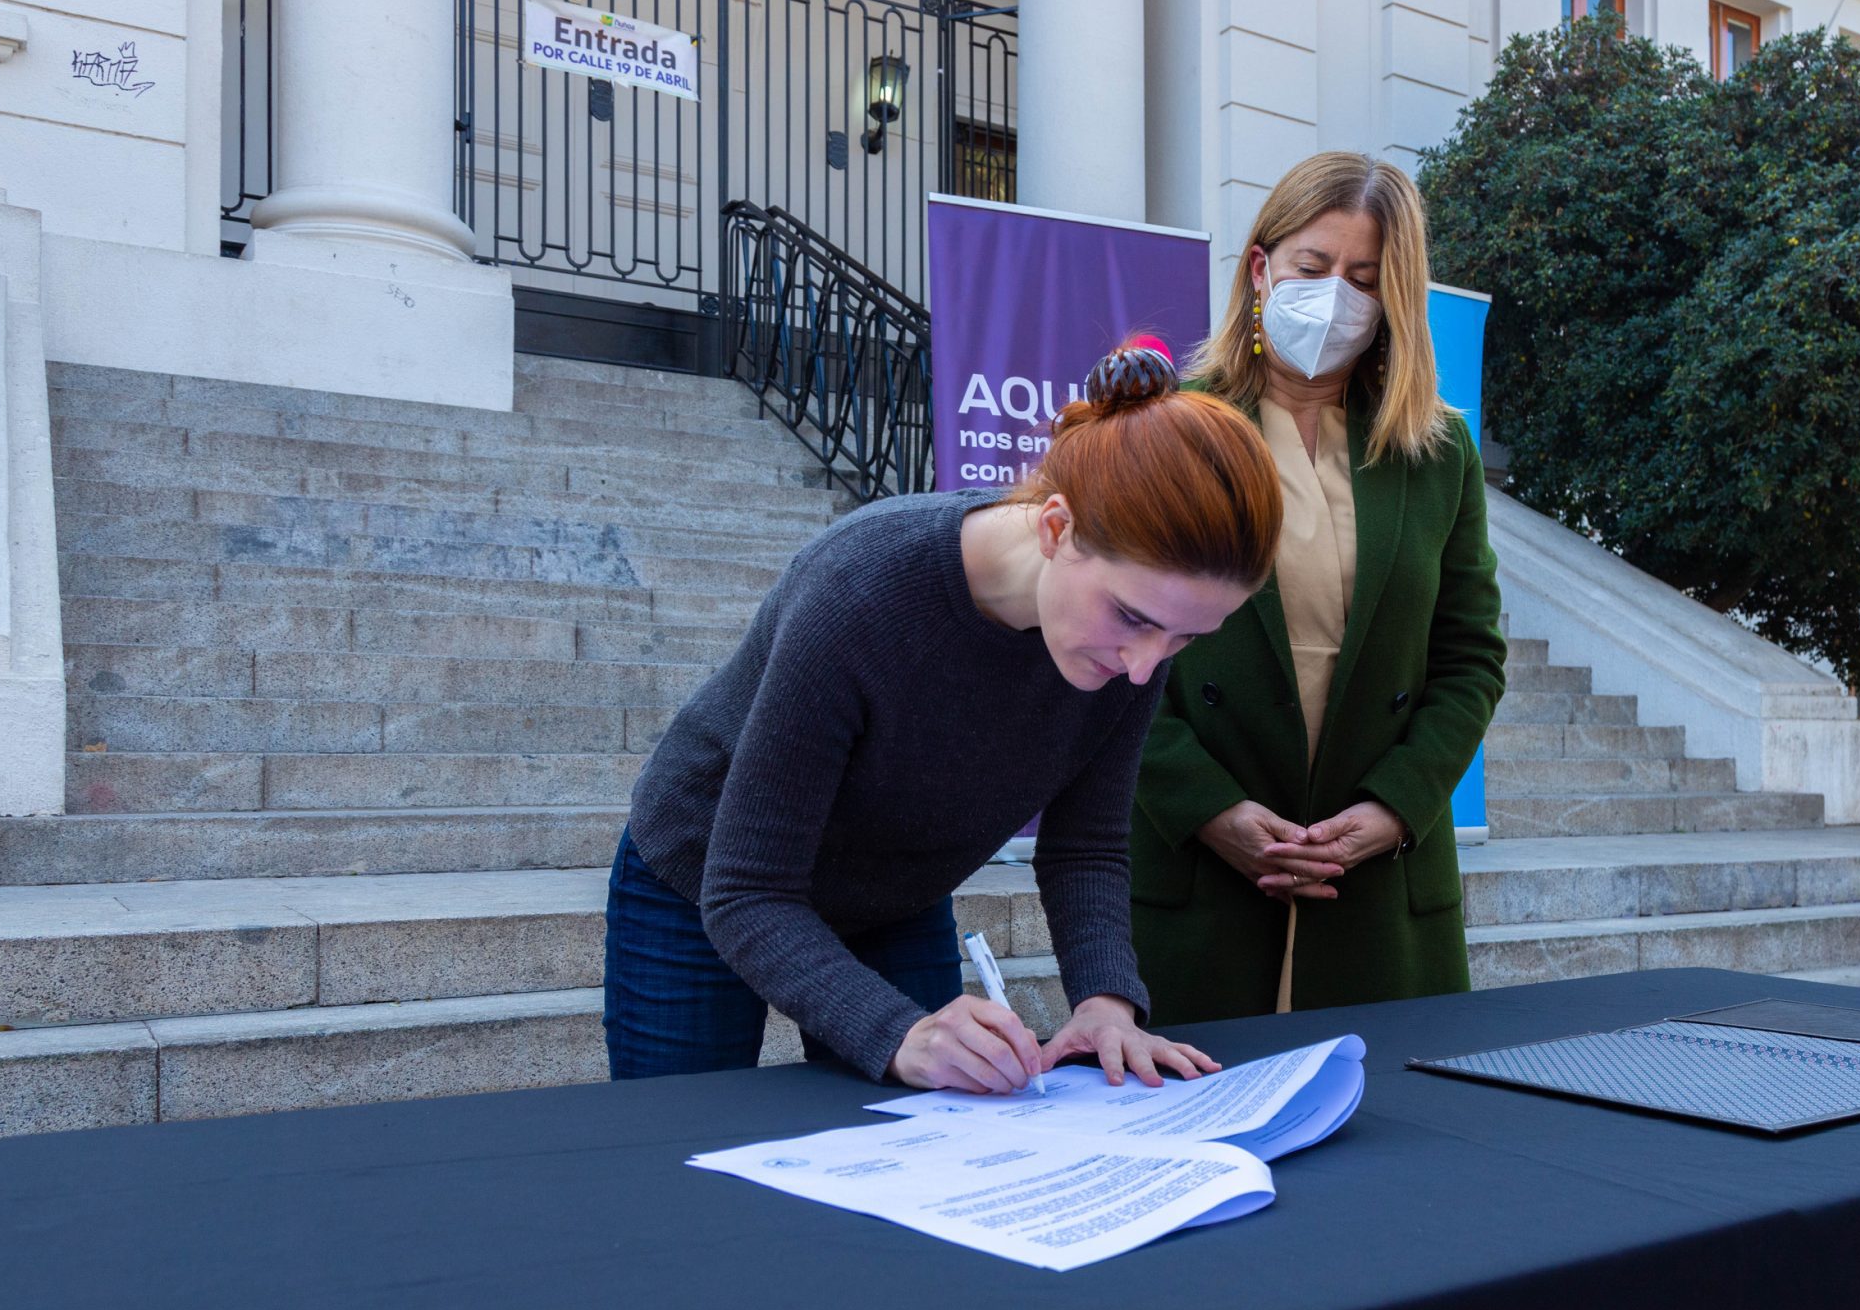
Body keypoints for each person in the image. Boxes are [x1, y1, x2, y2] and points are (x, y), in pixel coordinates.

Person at [606, 344, 1283, 1092]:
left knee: (919, 1153)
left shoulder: (1133, 643)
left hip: (897, 889)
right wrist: (900, 1032)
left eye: (1186, 637)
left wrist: (1105, 1001)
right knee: (683, 1141)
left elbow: (1085, 844)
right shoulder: (857, 589)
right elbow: (747, 891)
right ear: (1057, 530)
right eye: (1132, 616)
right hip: (703, 880)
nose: (1144, 666)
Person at [1131, 152, 1506, 1022]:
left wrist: (1396, 805)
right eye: (1313, 267)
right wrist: (1211, 809)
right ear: (1261, 268)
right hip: (1202, 877)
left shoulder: (1439, 451)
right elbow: (1111, 650)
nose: (1336, 296)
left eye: (1365, 279)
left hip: (1375, 886)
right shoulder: (1170, 426)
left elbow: (1471, 658)